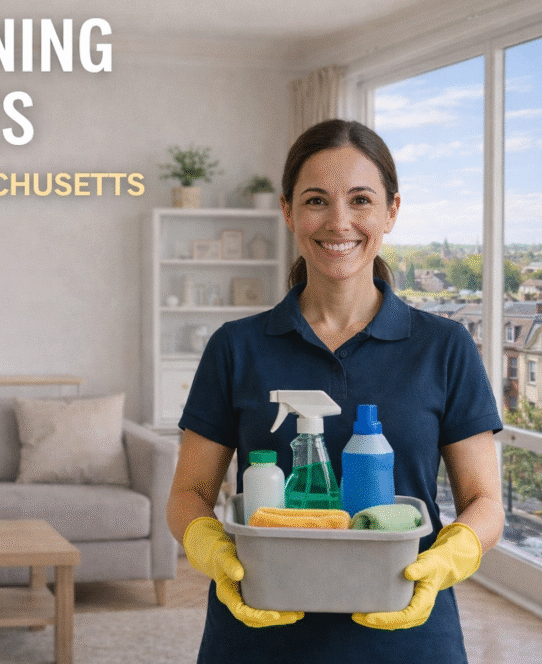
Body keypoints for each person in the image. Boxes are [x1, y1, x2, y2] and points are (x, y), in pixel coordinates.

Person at [166, 119, 504, 663]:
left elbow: (485, 501)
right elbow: (189, 494)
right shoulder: (236, 348)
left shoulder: (443, 347)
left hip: (406, 631)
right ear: (288, 212)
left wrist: (452, 555)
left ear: (391, 211)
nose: (339, 222)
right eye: (317, 200)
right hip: (260, 632)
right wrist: (210, 548)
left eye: (361, 200)